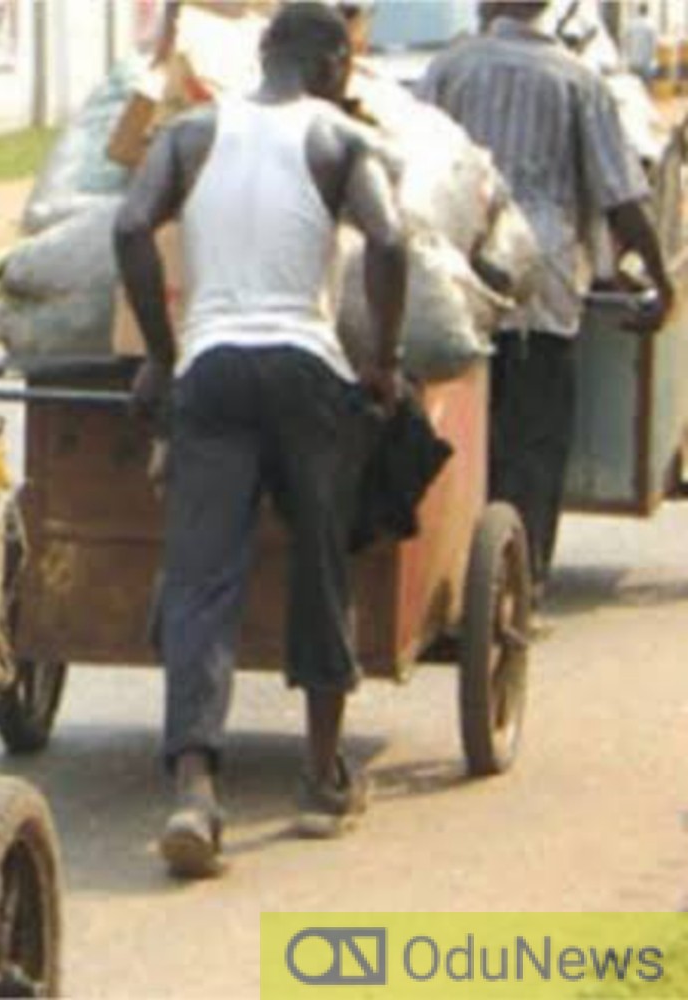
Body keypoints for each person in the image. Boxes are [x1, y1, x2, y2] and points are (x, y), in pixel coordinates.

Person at [113, 2, 408, 879]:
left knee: (203, 576)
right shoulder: (338, 141)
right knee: (320, 561)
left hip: (210, 370)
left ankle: (195, 793)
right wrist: (385, 362)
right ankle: (320, 779)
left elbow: (130, 227)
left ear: (264, 57)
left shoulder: (191, 132)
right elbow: (388, 239)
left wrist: (162, 360)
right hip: (304, 370)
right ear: (332, 68)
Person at [422, 1, 675, 594]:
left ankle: (457, 574)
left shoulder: (448, 69)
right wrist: (661, 282)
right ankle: (521, 581)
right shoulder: (578, 80)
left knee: (462, 432)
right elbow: (621, 197)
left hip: (458, 281)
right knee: (533, 439)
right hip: (545, 285)